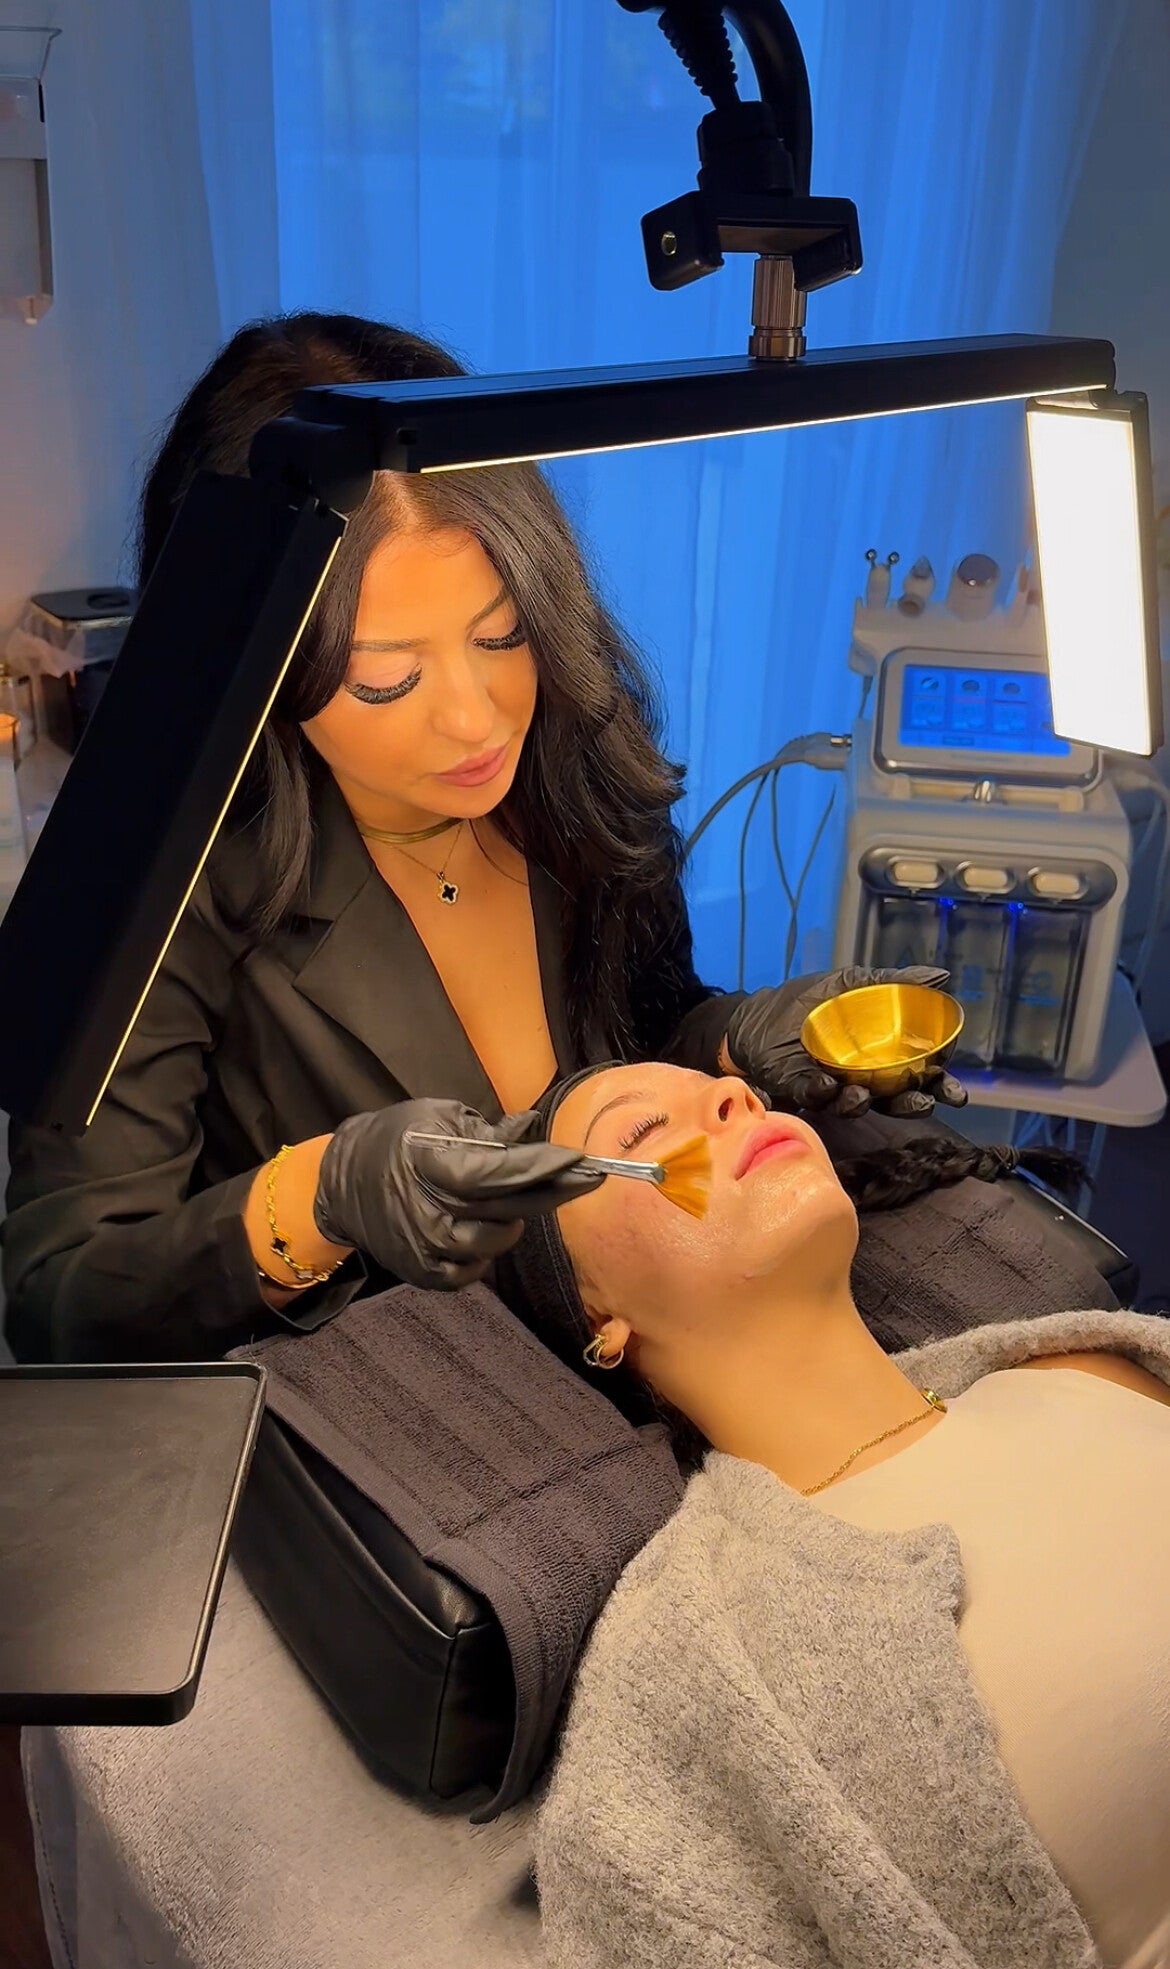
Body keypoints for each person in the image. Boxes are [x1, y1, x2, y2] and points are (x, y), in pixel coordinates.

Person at [1, 310, 962, 1365]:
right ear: (252, 667)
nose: (477, 718)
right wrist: (316, 1200)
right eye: (387, 678)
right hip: (421, 1411)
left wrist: (737, 1042)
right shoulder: (153, 888)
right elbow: (62, 1297)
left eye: (502, 634)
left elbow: (635, 1047)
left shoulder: (577, 765)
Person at [523, 1060, 1170, 1969]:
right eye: (640, 1133)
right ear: (599, 1313)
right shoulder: (684, 1664)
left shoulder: (1087, 1366)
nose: (735, 1097)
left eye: (736, 1093)